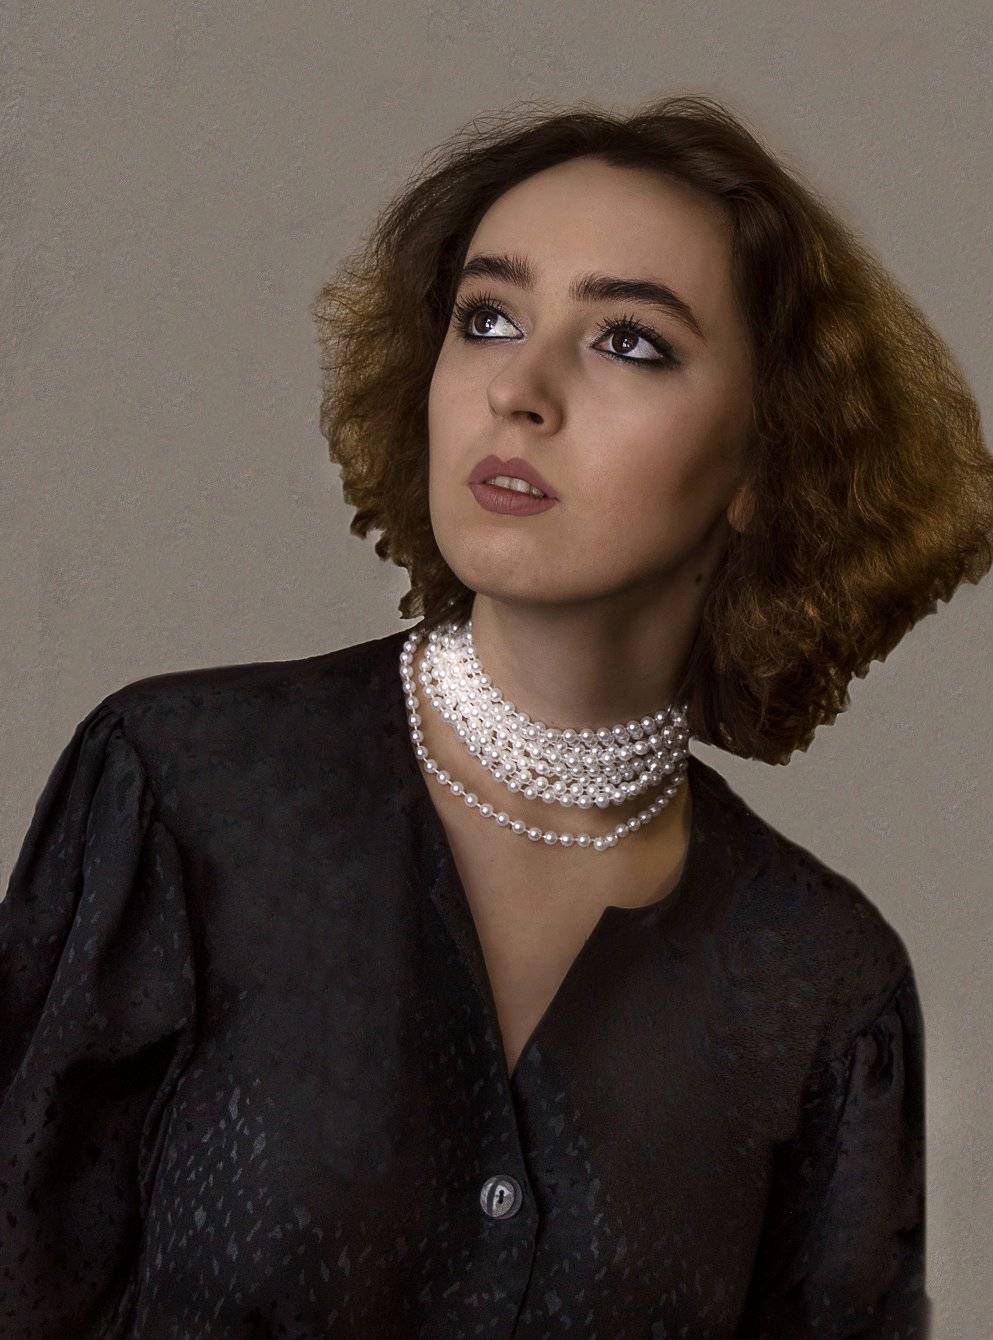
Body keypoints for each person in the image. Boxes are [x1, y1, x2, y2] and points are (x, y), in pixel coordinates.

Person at [3, 95, 990, 1339]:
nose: (518, 389)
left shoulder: (823, 984)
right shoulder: (183, 791)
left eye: (628, 341)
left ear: (763, 461)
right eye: (486, 318)